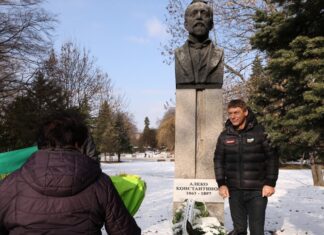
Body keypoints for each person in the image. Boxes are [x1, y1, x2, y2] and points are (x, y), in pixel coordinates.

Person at [0, 110, 141, 235]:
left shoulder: (10, 184)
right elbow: (126, 231)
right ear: (80, 143)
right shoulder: (101, 184)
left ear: (41, 143)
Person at [214, 99, 279, 235]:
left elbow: (272, 158)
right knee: (239, 230)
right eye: (230, 113)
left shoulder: (260, 132)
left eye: (236, 112)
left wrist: (270, 183)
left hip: (257, 190)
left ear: (245, 112)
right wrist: (221, 183)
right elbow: (218, 160)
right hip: (234, 191)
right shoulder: (224, 136)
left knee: (256, 230)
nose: (233, 116)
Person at [175, 0, 224, 89]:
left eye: (204, 14)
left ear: (211, 25)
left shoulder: (219, 53)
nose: (199, 17)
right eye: (193, 14)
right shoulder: (179, 53)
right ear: (185, 25)